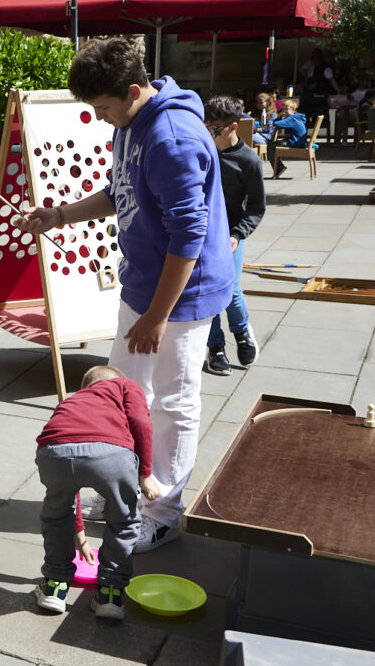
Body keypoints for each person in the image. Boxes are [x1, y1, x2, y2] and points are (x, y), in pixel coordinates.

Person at [16, 37, 233, 552]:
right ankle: (126, 487)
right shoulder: (130, 123)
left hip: (181, 298)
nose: (100, 118)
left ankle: (163, 511)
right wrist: (60, 215)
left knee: (174, 403)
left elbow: (189, 236)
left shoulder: (172, 138)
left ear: (134, 90)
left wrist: (157, 316)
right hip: (142, 287)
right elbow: (121, 192)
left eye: (103, 108)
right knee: (123, 393)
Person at [34, 366, 160, 621]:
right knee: (124, 520)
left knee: (57, 514)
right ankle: (109, 595)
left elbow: (74, 481)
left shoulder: (73, 401)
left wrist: (78, 533)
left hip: (53, 452)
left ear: (86, 387)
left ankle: (54, 588)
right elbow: (140, 421)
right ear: (117, 381)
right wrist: (145, 473)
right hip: (110, 456)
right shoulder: (126, 386)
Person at [202, 96, 265, 375]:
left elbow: (256, 208)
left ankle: (241, 332)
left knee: (230, 288)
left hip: (230, 233)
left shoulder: (249, 160)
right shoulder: (203, 151)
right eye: (206, 127)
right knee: (207, 291)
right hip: (201, 233)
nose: (209, 134)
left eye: (215, 129)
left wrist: (238, 235)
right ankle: (215, 346)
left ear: (233, 127)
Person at [270, 97, 308, 179]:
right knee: (274, 144)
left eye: (286, 109)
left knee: (271, 145)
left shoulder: (292, 119)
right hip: (299, 141)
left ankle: (279, 168)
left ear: (293, 110)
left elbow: (276, 123)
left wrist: (279, 115)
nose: (284, 111)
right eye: (283, 109)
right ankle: (278, 165)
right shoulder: (297, 117)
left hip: (295, 142)